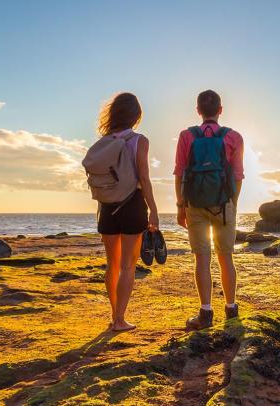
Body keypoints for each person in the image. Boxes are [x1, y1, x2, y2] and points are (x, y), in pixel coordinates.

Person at [174, 90, 244, 330]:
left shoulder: (187, 136)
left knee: (201, 259)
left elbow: (180, 173)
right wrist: (231, 202)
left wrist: (180, 205)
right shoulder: (233, 137)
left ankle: (205, 314)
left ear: (198, 111)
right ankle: (231, 309)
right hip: (224, 205)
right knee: (226, 258)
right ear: (220, 110)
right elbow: (237, 176)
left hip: (195, 205)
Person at [96, 92, 159, 332]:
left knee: (111, 264)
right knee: (127, 266)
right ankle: (120, 320)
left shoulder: (105, 141)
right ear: (136, 116)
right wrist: (153, 210)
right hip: (132, 204)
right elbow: (144, 176)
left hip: (107, 207)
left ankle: (115, 316)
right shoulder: (138, 140)